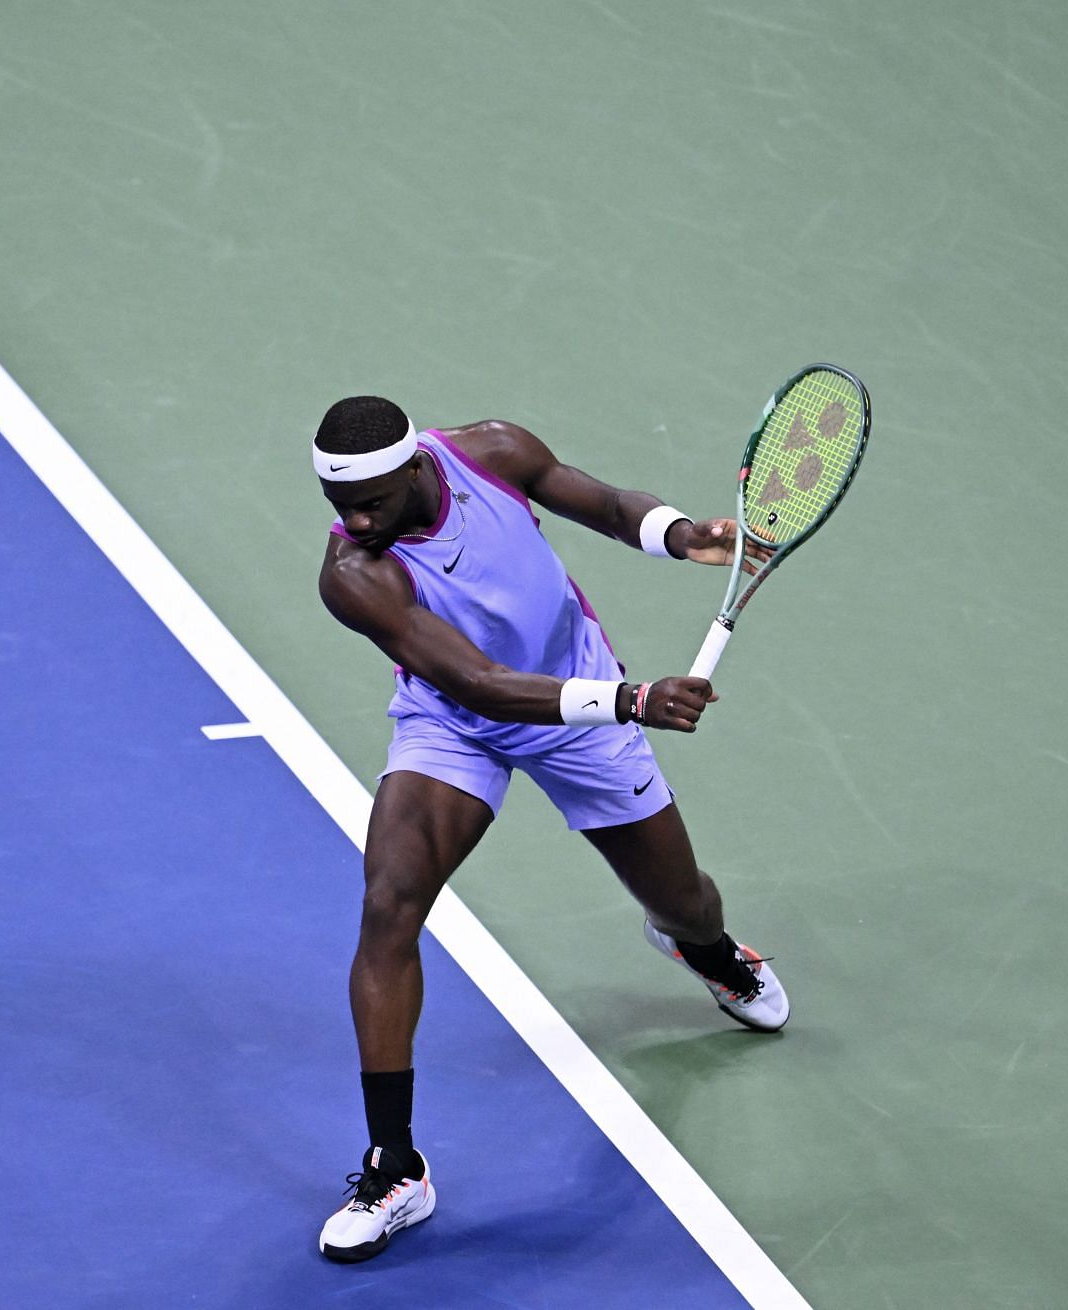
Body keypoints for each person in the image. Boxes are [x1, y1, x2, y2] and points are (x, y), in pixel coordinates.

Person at [310, 395, 789, 1265]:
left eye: (371, 501)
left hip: (579, 700)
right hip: (455, 721)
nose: (355, 521)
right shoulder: (354, 573)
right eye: (339, 505)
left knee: (685, 903)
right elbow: (482, 684)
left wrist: (685, 535)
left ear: (417, 468)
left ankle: (705, 950)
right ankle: (394, 1166)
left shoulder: (490, 451)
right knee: (388, 905)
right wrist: (636, 701)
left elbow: (603, 506)